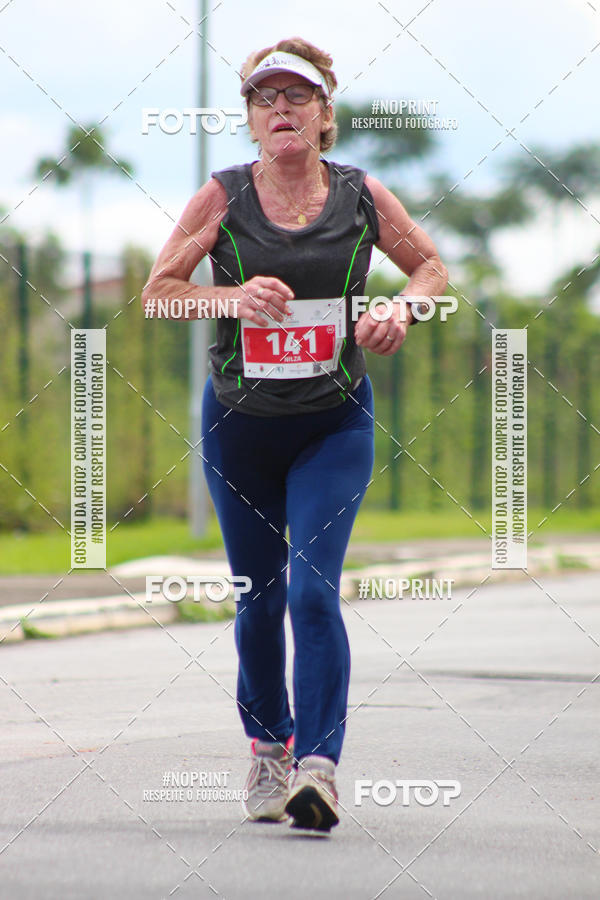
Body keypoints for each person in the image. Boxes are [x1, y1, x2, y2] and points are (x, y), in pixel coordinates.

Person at [142, 37, 448, 832]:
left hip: (331, 423)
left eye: (297, 98)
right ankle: (267, 751)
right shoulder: (221, 198)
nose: (282, 109)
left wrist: (400, 309)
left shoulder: (361, 196)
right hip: (240, 425)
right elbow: (159, 294)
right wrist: (229, 299)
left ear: (323, 117)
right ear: (250, 121)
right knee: (258, 596)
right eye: (265, 99)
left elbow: (430, 270)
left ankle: (318, 767)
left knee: (313, 590)